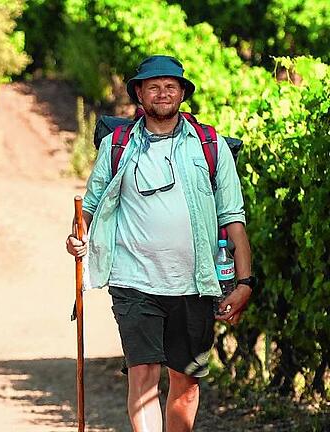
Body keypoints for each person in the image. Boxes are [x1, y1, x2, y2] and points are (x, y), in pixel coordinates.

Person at [65, 55, 255, 432]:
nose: (162, 93)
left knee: (185, 387)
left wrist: (245, 283)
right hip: (133, 281)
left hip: (196, 283)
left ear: (183, 93)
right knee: (143, 380)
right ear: (139, 93)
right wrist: (76, 237)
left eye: (171, 86)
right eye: (153, 86)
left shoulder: (209, 145)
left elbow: (232, 217)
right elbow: (89, 207)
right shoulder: (117, 145)